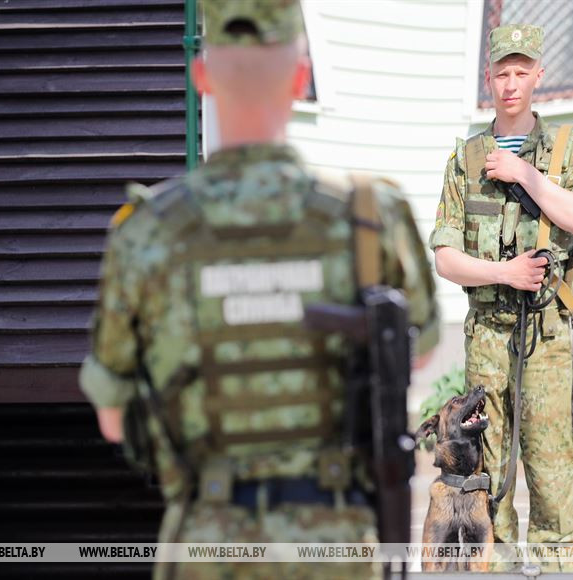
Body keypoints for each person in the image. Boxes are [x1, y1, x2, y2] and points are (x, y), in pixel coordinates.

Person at [78, 1, 439, 578]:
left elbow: (114, 420)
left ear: (202, 77)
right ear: (301, 78)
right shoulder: (372, 217)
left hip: (208, 543)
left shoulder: (146, 232)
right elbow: (417, 351)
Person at [428, 23, 573, 572]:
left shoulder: (570, 151)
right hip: (488, 338)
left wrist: (527, 174)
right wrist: (505, 271)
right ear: (488, 78)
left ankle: (557, 567)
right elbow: (446, 258)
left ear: (539, 76)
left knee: (550, 474)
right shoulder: (466, 159)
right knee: (487, 480)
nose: (511, 84)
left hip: (546, 338)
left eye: (521, 73)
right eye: (501, 73)